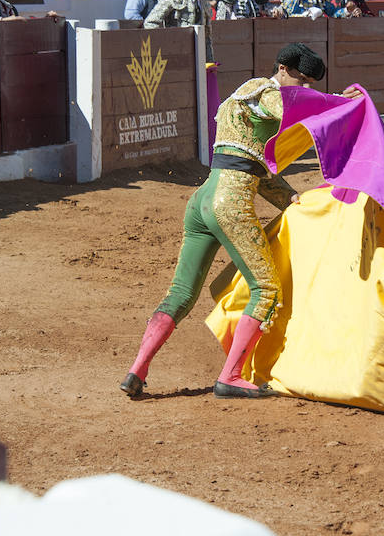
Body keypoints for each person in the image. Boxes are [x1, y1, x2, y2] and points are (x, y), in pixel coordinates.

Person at [120, 43, 362, 399]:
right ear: (282, 69)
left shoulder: (243, 97)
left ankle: (136, 370)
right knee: (266, 289)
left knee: (181, 293)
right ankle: (231, 376)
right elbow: (294, 110)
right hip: (229, 203)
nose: (304, 87)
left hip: (203, 199)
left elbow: (252, 166)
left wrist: (291, 198)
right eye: (301, 79)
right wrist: (338, 102)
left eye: (310, 83)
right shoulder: (266, 93)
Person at [144, 0, 215, 61]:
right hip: (173, 52)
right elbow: (150, 22)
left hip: (197, 55)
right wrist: (163, 48)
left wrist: (209, 60)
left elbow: (207, 37)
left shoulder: (205, 4)